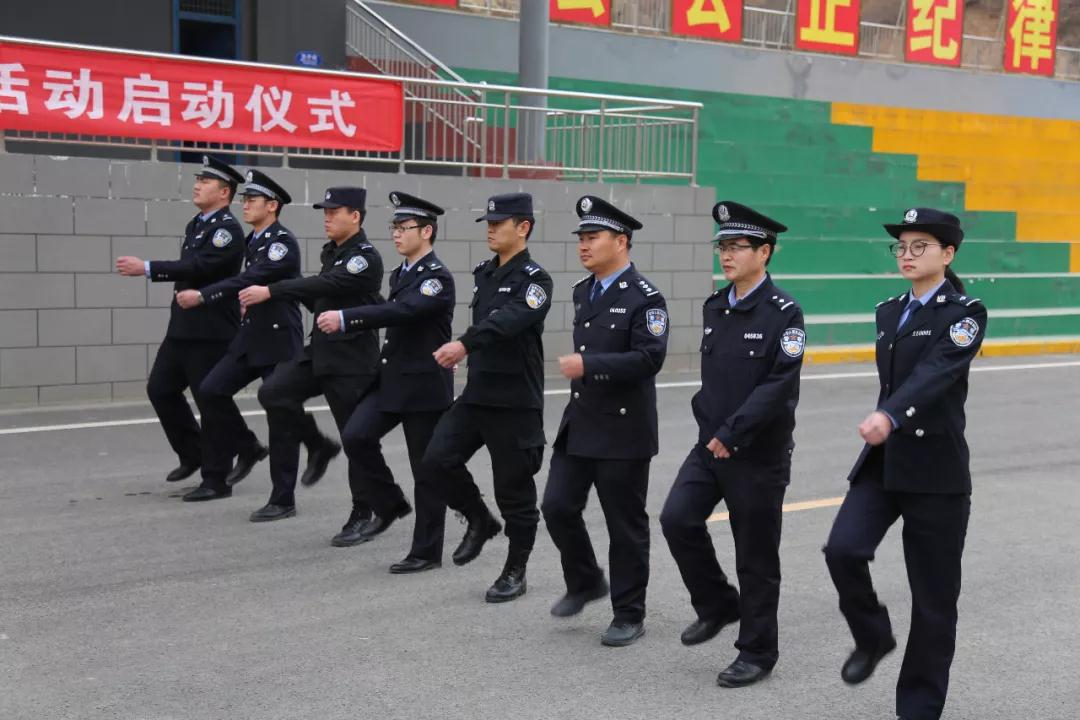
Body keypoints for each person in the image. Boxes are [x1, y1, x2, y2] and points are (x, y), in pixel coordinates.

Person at [823, 208, 986, 720]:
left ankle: (918, 709)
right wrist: (887, 424)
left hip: (936, 472)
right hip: (884, 464)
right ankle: (872, 636)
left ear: (948, 254)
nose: (908, 255)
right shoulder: (888, 311)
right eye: (902, 247)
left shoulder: (964, 314)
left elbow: (936, 374)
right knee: (843, 550)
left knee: (934, 603)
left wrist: (890, 416)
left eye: (921, 246)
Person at [660, 201, 805, 688]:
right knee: (677, 518)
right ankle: (719, 603)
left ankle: (758, 652)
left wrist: (733, 433)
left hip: (756, 453)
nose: (726, 254)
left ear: (764, 252)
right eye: (722, 246)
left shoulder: (784, 312)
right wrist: (711, 430)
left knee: (756, 556)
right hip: (710, 444)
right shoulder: (715, 305)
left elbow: (778, 384)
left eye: (737, 246)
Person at [541, 195, 668, 647]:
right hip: (582, 422)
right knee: (556, 506)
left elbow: (649, 358)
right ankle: (585, 580)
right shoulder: (583, 291)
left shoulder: (645, 298)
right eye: (581, 238)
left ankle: (629, 613)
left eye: (592, 238)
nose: (584, 246)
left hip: (623, 428)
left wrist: (589, 364)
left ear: (622, 241)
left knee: (624, 526)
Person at [316, 192, 467, 569]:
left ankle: (426, 551)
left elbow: (403, 311)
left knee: (425, 471)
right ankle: (389, 504)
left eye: (404, 228)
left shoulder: (436, 278)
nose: (397, 235)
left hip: (424, 387)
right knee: (356, 435)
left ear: (427, 231)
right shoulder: (402, 273)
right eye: (394, 228)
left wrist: (348, 318)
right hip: (393, 378)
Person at [424, 192, 552, 603]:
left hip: (515, 401)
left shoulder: (537, 281)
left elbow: (506, 322)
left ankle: (516, 569)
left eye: (500, 223)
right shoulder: (485, 272)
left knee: (514, 492)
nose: (491, 229)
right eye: (489, 223)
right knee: (435, 462)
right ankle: (479, 519)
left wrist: (464, 344)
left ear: (524, 227)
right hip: (479, 394)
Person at [238, 187, 382, 540]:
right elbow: (321, 293)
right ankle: (318, 444)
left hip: (351, 360)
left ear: (356, 217)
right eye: (325, 212)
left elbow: (328, 283)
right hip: (320, 350)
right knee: (274, 393)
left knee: (357, 439)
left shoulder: (364, 256)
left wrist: (272, 290)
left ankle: (365, 511)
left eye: (335, 212)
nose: (327, 217)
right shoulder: (333, 251)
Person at [115, 155, 254, 487]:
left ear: (224, 192)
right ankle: (199, 452)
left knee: (209, 400)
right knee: (160, 389)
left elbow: (199, 267)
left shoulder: (226, 231)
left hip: (210, 328)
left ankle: (215, 473)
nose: (197, 185)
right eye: (197, 179)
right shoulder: (198, 224)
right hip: (183, 326)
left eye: (205, 182)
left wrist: (147, 268)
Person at [173, 169, 304, 502]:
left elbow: (253, 278)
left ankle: (282, 497)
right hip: (250, 337)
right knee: (212, 390)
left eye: (252, 200)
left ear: (272, 205)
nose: (245, 205)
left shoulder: (281, 242)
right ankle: (234, 458)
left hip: (277, 339)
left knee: (280, 412)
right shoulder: (253, 240)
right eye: (243, 199)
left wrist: (204, 295)